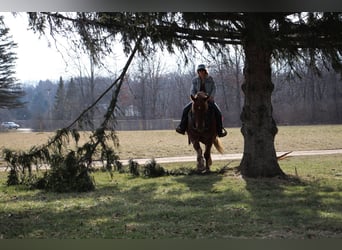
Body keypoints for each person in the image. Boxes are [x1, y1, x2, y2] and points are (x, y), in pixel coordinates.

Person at [176, 64, 227, 137]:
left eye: (203, 71)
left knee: (218, 112)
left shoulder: (210, 79)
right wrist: (195, 96)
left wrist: (211, 96)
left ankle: (220, 130)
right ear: (198, 72)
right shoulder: (195, 80)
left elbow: (214, 88)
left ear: (205, 71)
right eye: (200, 71)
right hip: (197, 100)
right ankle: (182, 128)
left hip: (207, 99)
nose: (201, 72)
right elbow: (192, 90)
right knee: (185, 109)